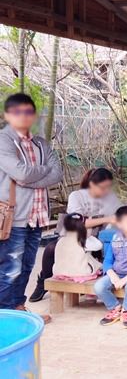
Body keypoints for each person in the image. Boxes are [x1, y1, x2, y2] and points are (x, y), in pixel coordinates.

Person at [0, 93, 63, 322]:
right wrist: (40, 171)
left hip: (37, 216)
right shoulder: (4, 141)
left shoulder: (40, 143)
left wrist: (31, 176)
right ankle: (5, 319)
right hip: (14, 216)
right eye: (18, 112)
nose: (24, 117)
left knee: (26, 266)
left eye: (29, 112)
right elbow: (21, 173)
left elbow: (57, 173)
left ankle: (18, 309)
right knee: (10, 269)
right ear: (8, 115)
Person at [30, 167, 121, 302]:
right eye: (102, 187)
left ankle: (99, 286)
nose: (105, 191)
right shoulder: (76, 196)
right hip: (73, 237)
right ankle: (43, 282)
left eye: (108, 187)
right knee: (51, 249)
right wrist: (106, 219)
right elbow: (77, 221)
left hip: (97, 237)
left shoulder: (109, 199)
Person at [52, 213, 102, 281]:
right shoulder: (83, 241)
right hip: (80, 273)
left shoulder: (61, 240)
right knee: (96, 264)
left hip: (59, 272)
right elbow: (99, 246)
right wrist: (89, 236)